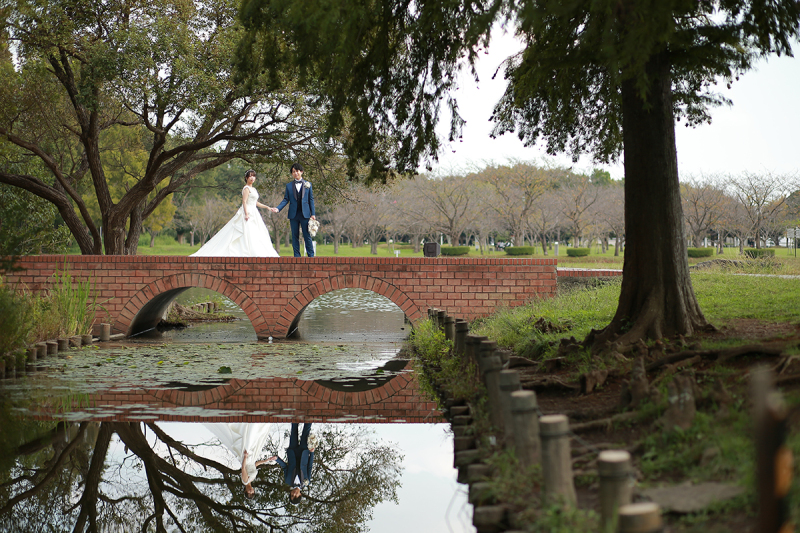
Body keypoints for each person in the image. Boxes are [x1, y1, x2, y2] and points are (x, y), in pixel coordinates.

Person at [191, 169, 279, 257]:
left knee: (256, 232)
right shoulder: (246, 188)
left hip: (254, 212)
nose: (252, 178)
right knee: (245, 231)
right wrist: (246, 214)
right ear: (246, 178)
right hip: (247, 211)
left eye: (253, 176)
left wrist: (267, 207)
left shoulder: (254, 189)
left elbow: (255, 202)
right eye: (250, 176)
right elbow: (244, 202)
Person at [203, 423, 274, 499]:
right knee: (256, 439)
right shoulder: (251, 479)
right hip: (252, 459)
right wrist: (266, 460)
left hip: (247, 459)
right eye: (252, 492)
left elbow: (243, 468)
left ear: (245, 491)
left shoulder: (245, 481)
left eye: (249, 493)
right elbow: (255, 465)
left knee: (249, 439)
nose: (251, 491)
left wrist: (245, 457)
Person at [267, 422, 317, 504]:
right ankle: (309, 416)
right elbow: (309, 467)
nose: (293, 494)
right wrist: (311, 453)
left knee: (294, 430)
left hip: (292, 452)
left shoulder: (287, 480)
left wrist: (277, 459)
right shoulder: (307, 482)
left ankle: (295, 415)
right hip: (304, 453)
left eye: (292, 495)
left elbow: (285, 467)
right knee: (306, 431)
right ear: (300, 495)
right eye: (295, 496)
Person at [273, 163, 316, 257]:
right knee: (294, 236)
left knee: (307, 235)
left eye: (297, 171)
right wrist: (278, 208)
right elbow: (286, 199)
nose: (295, 173)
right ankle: (297, 257)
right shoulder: (288, 186)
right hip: (293, 214)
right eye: (293, 172)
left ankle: (311, 256)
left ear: (301, 172)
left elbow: (311, 200)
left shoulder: (308, 184)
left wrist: (313, 214)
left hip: (305, 214)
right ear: (292, 174)